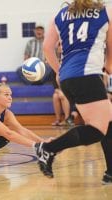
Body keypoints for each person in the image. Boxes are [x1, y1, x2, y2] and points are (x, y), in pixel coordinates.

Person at [35, 0, 112, 185]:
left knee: (108, 124)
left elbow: (47, 47)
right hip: (87, 76)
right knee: (98, 130)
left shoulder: (59, 15)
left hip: (68, 78)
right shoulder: (105, 12)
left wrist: (59, 71)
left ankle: (110, 173)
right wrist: (108, 67)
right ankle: (48, 148)